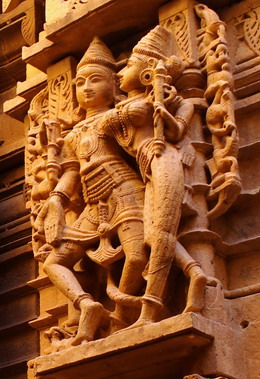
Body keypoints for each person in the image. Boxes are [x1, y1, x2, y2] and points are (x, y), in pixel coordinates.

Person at [37, 37, 148, 343]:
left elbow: (142, 122)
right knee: (53, 263)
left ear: (115, 84)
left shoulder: (115, 118)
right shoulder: (73, 135)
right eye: (80, 82)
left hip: (125, 191)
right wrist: (57, 201)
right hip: (93, 206)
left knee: (137, 257)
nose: (86, 88)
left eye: (95, 80)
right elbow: (72, 172)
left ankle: (122, 317)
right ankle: (88, 305)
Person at [110, 26, 207, 326]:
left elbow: (178, 131)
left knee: (162, 236)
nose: (119, 73)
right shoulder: (128, 107)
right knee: (152, 238)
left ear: (146, 72)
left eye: (128, 66)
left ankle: (150, 309)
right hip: (148, 170)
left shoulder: (180, 103)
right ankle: (195, 274)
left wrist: (163, 111)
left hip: (166, 160)